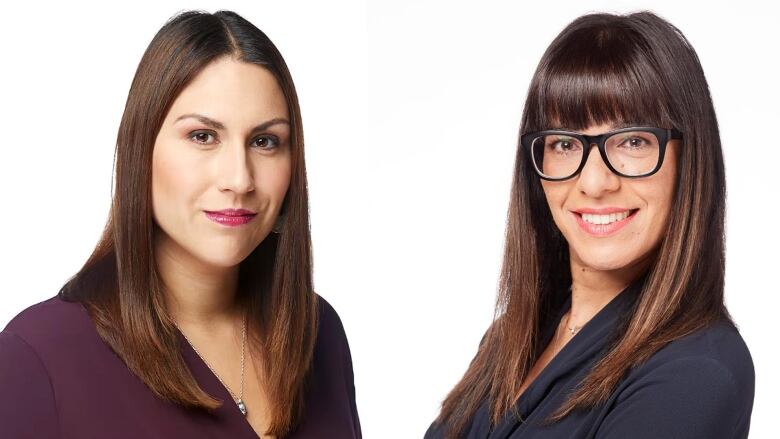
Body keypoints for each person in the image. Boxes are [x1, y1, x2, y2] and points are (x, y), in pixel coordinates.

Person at [0, 9, 360, 439]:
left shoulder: (318, 334)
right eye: (203, 136)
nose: (239, 179)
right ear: (141, 149)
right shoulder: (39, 356)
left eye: (265, 142)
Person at [425, 11, 753, 439]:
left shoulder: (695, 373)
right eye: (563, 142)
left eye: (633, 141)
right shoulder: (510, 339)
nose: (595, 182)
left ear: (689, 161)